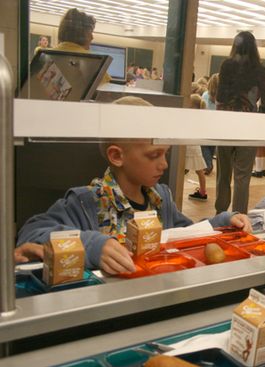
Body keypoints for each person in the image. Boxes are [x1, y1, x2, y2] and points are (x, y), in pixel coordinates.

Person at [15, 97, 251, 275]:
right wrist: (92, 245)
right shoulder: (85, 202)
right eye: (154, 155)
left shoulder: (162, 199)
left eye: (165, 154)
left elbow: (185, 234)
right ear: (117, 156)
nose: (164, 164)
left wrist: (220, 224)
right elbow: (32, 232)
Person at [215, 31, 265, 214]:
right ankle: (238, 216)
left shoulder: (226, 65)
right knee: (242, 176)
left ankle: (220, 213)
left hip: (224, 124)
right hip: (248, 126)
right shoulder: (260, 70)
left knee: (223, 173)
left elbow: (220, 97)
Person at [55, 8, 110, 84]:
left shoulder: (44, 55)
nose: (92, 37)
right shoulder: (93, 61)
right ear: (82, 34)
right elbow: (106, 93)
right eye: (90, 32)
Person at [186, 94, 209, 201]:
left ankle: (173, 190)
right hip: (195, 146)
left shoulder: (190, 117)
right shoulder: (200, 117)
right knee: (200, 172)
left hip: (189, 147)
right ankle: (203, 192)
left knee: (182, 170)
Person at [201, 73, 219, 176]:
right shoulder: (223, 97)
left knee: (205, 146)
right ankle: (209, 163)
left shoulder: (205, 95)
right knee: (211, 146)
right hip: (217, 125)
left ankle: (208, 164)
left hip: (206, 124)